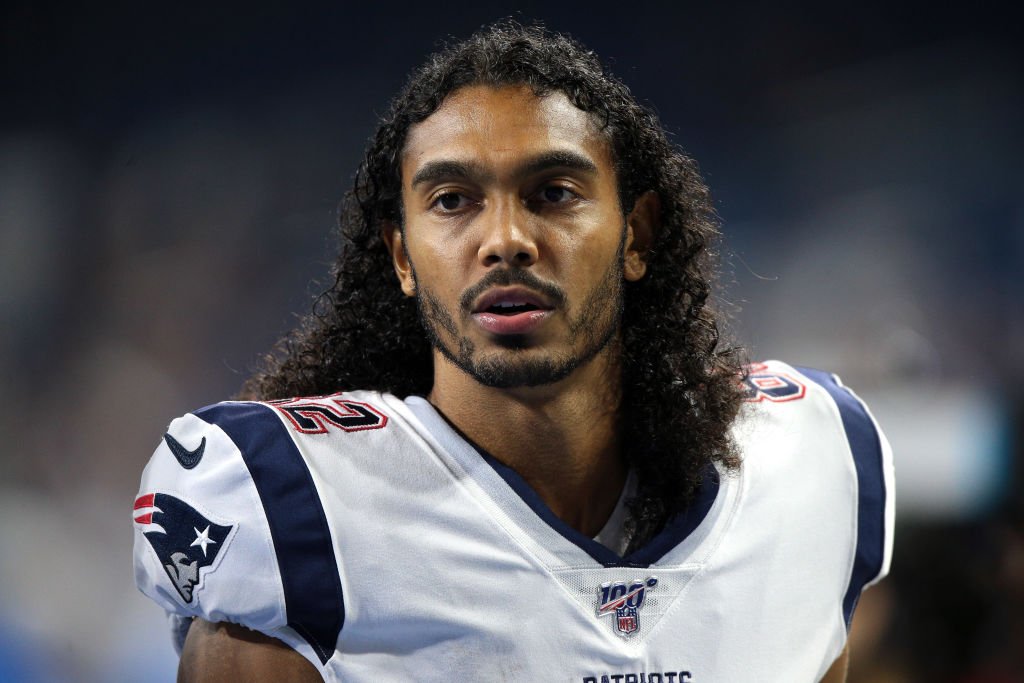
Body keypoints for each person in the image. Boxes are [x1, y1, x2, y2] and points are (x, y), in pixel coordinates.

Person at [132, 20, 894, 682]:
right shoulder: (289, 514)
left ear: (638, 235)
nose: (505, 241)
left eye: (553, 192)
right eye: (452, 200)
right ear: (401, 258)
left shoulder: (809, 455)